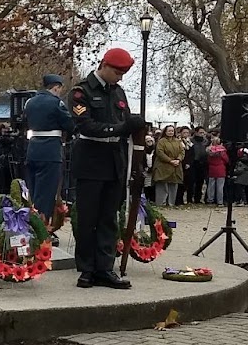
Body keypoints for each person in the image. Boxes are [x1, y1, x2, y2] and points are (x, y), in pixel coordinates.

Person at [67, 48, 146, 289]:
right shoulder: (82, 92)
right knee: (88, 217)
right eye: (116, 72)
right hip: (91, 159)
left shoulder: (118, 92)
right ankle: (87, 269)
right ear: (104, 65)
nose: (119, 77)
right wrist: (120, 129)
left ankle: (105, 267)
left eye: (123, 73)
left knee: (109, 218)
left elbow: (125, 120)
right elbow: (86, 125)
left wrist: (133, 126)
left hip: (114, 161)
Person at [22, 77, 72, 224]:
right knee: (46, 193)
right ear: (56, 87)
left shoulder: (29, 102)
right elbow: (69, 124)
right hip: (50, 151)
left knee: (33, 190)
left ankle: (30, 222)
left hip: (33, 149)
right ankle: (42, 227)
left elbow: (24, 123)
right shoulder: (56, 103)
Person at [153, 125, 183, 208]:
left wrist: (178, 159)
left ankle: (171, 203)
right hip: (163, 166)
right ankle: (161, 203)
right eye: (169, 131)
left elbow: (182, 152)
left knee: (173, 185)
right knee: (162, 185)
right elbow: (160, 152)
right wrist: (170, 160)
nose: (170, 132)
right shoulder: (161, 141)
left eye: (172, 131)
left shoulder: (177, 141)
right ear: (165, 132)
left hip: (175, 166)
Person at [205, 135, 228, 204]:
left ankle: (210, 199)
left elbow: (208, 160)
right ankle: (220, 201)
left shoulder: (209, 151)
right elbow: (226, 160)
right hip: (220, 169)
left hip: (212, 169)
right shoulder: (222, 151)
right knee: (220, 187)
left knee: (211, 186)